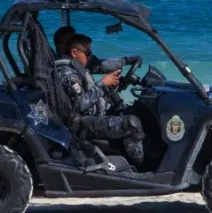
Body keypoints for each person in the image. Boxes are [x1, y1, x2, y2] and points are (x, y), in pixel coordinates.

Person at [55, 33, 146, 167]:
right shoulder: (67, 73)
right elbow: (79, 105)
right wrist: (103, 84)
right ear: (74, 52)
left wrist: (109, 84)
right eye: (88, 52)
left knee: (130, 111)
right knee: (132, 124)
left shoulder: (76, 66)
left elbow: (100, 65)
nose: (91, 56)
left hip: (89, 116)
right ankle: (141, 169)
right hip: (81, 124)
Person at [53, 24, 141, 74]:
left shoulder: (78, 62)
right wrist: (103, 84)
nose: (75, 42)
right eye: (70, 41)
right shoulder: (63, 69)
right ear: (61, 48)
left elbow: (100, 65)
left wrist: (126, 60)